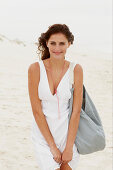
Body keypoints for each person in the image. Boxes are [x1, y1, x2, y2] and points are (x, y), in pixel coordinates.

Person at [28, 24, 83, 170]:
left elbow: (76, 111)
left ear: (69, 44)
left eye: (62, 43)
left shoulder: (76, 69)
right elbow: (36, 111)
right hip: (43, 133)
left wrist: (69, 146)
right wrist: (52, 146)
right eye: (53, 43)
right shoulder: (35, 69)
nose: (57, 48)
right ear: (46, 43)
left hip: (67, 133)